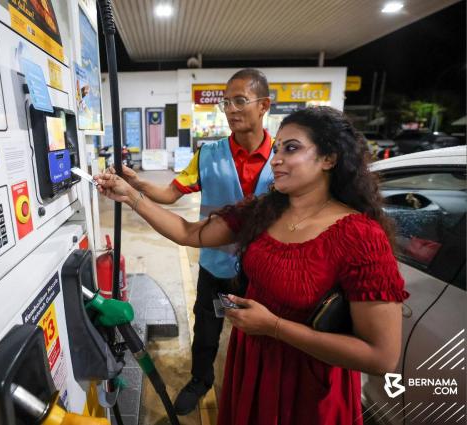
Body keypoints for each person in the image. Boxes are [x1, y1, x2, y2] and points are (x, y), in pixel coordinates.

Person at [94, 106, 409, 425]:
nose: (276, 159)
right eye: (277, 149)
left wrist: (274, 327)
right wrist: (130, 196)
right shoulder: (264, 210)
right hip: (251, 364)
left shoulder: (361, 237)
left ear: (329, 158)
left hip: (309, 385)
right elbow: (188, 232)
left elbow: (381, 356)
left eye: (291, 148)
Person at [115, 68, 274, 415]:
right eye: (225, 102)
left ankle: (256, 390)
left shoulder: (284, 159)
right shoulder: (209, 154)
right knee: (206, 330)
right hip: (215, 267)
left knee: (261, 338)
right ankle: (200, 380)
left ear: (263, 105)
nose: (231, 109)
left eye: (240, 101)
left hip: (264, 273)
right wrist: (137, 183)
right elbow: (170, 194)